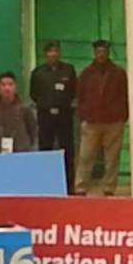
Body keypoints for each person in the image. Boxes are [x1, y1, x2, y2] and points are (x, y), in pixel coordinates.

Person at [76, 40, 129, 196]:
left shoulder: (118, 73)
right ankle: (81, 186)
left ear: (108, 53)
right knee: (85, 156)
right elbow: (80, 96)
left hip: (114, 121)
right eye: (98, 52)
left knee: (112, 158)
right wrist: (83, 115)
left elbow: (124, 95)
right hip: (91, 121)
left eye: (104, 51)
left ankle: (109, 187)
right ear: (94, 53)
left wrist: (122, 115)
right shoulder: (86, 73)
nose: (101, 55)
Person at [30, 41, 78, 189]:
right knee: (45, 149)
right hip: (45, 116)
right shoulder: (38, 73)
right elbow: (34, 94)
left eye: (56, 51)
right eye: (50, 51)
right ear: (46, 54)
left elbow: (73, 91)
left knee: (67, 150)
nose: (54, 54)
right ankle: (46, 184)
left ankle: (69, 186)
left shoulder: (68, 70)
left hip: (64, 116)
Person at [0, 72, 38, 153]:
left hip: (22, 150)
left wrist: (25, 145)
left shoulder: (25, 109)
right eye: (3, 85)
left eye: (10, 84)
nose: (7, 88)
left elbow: (32, 131)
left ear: (15, 87)